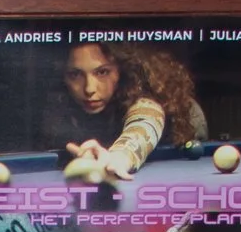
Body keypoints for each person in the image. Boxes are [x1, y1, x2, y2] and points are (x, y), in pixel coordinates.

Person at [42, 40, 205, 178]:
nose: (89, 89)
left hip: (187, 133)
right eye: (75, 74)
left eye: (102, 72)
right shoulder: (60, 106)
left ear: (122, 70)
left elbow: (146, 121)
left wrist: (120, 157)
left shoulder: (142, 96)